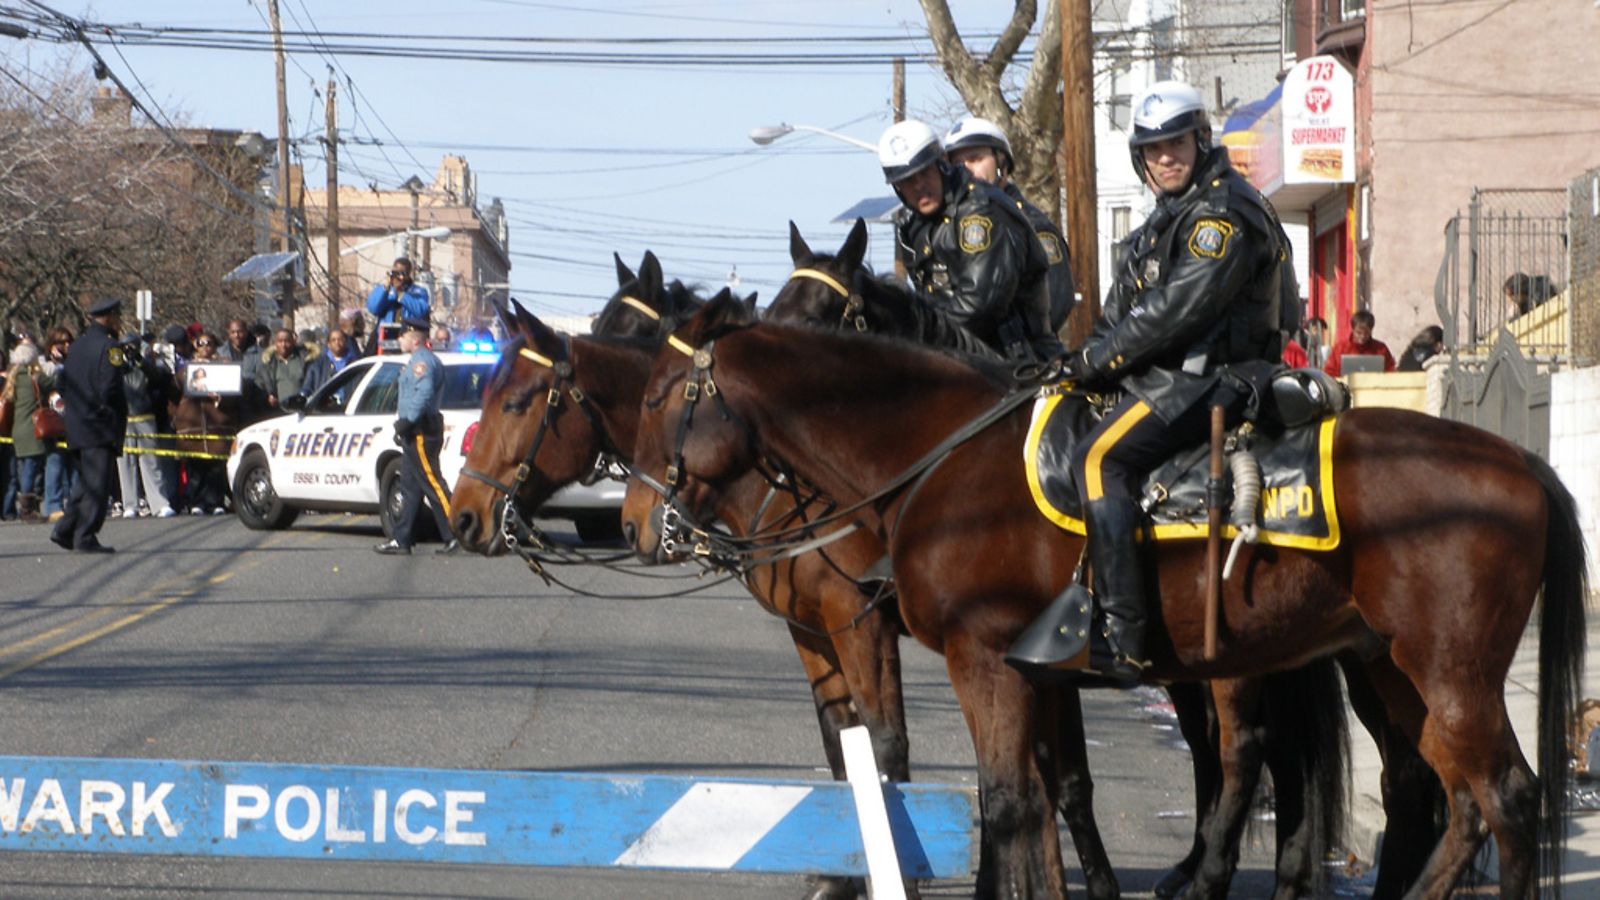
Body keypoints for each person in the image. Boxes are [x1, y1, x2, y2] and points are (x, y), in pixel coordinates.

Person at [1008, 80, 1296, 683]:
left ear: (1200, 141)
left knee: (1095, 460)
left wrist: (1096, 363)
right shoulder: (1167, 220)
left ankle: (1123, 634)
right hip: (1172, 376)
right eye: (1154, 148)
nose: (1166, 157)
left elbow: (1174, 314)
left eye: (1177, 144)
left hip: (1210, 381)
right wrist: (1075, 363)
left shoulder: (1219, 216)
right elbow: (1122, 315)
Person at [879, 118, 1057, 362]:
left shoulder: (983, 210)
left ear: (942, 164)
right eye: (908, 180)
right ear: (897, 187)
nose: (919, 185)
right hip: (955, 355)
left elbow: (980, 306)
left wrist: (913, 334)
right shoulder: (913, 229)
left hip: (1018, 361)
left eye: (925, 173)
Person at [943, 116, 1077, 336]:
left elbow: (1058, 301)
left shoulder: (1034, 226)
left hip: (1024, 359)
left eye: (975, 159)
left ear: (1002, 164)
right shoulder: (950, 228)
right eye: (957, 164)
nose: (966, 170)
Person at [50, 298, 129, 554]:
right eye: (117, 316)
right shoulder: (110, 347)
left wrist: (77, 407)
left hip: (77, 423)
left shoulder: (77, 347)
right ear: (108, 318)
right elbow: (111, 387)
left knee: (85, 482)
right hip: (100, 425)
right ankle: (85, 535)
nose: (119, 320)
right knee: (97, 485)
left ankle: (65, 529)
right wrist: (107, 411)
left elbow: (62, 384)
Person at [375, 317, 458, 556]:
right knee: (410, 486)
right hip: (416, 430)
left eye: (402, 336)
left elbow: (424, 393)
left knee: (433, 483)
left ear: (414, 338)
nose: (399, 340)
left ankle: (455, 533)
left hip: (421, 429)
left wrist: (407, 421)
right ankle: (402, 539)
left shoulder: (421, 362)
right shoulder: (418, 360)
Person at [116, 333, 176, 518]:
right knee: (125, 462)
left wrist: (140, 359)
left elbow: (157, 377)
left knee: (151, 461)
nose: (130, 349)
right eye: (126, 346)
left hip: (145, 415)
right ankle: (130, 504)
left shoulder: (148, 361)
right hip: (124, 416)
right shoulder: (116, 362)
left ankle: (159, 502)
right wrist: (122, 360)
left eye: (132, 345)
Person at [4, 343, 53, 524]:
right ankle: (27, 509)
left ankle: (25, 506)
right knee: (31, 469)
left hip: (17, 429)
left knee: (23, 468)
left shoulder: (13, 378)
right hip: (33, 428)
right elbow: (53, 382)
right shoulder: (34, 377)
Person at [1323, 310, 1395, 376]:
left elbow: (1391, 370)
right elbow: (1329, 371)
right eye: (1358, 333)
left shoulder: (1381, 349)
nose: (1362, 336)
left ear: (1371, 330)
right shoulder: (1341, 348)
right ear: (1353, 329)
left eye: (1366, 333)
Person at [366, 257, 431, 328]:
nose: (399, 277)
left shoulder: (418, 291)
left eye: (402, 273)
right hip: (387, 332)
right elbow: (373, 308)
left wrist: (400, 293)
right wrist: (385, 289)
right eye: (396, 273)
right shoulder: (383, 289)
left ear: (408, 274)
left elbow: (421, 311)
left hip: (408, 334)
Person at [255, 328, 310, 411]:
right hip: (278, 413)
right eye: (280, 341)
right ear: (275, 343)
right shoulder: (268, 365)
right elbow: (259, 388)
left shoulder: (305, 361)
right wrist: (268, 398)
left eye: (287, 341)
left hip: (303, 411)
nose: (283, 345)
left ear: (294, 342)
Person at [301, 327, 360, 397]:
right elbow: (307, 388)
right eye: (333, 340)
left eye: (340, 339)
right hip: (324, 406)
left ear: (346, 342)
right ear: (328, 344)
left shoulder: (355, 363)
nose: (337, 342)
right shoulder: (317, 365)